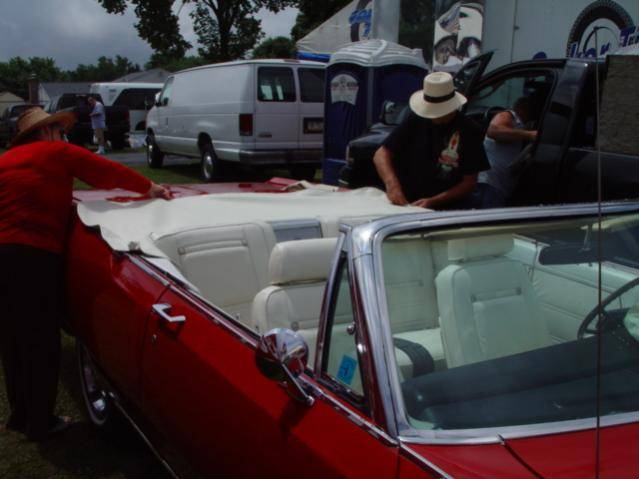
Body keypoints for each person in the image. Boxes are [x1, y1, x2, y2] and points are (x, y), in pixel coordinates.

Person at [0, 107, 170, 442]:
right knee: (39, 339)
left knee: (13, 337)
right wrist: (149, 187)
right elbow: (103, 171)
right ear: (46, 133)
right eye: (57, 130)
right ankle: (40, 422)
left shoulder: (6, 161)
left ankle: (20, 415)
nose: (62, 136)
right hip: (33, 254)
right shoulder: (57, 153)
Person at [374, 71, 489, 210]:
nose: (433, 115)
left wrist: (434, 201)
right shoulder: (416, 119)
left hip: (448, 210)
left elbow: (469, 183)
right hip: (407, 203)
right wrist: (392, 184)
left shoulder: (469, 130)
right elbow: (381, 154)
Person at [473, 96, 538, 208]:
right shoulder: (508, 115)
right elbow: (493, 131)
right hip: (489, 183)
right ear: (523, 109)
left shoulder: (521, 126)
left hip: (500, 185)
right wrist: (530, 134)